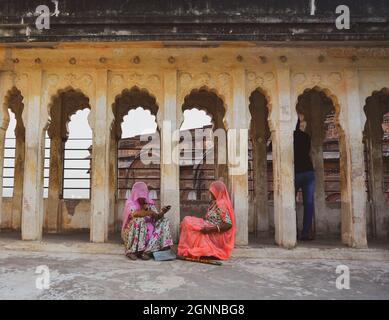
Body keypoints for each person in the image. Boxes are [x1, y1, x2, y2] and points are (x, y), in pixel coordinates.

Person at [177, 181, 235, 260]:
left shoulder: (222, 204)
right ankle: (193, 248)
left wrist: (210, 229)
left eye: (212, 192)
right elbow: (211, 217)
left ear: (218, 192)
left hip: (215, 232)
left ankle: (204, 251)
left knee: (190, 224)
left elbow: (228, 224)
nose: (210, 194)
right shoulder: (215, 202)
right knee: (187, 220)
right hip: (208, 225)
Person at [121, 181, 173, 260]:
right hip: (133, 232)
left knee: (165, 221)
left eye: (143, 195)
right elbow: (134, 214)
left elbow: (157, 217)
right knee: (139, 220)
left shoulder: (149, 202)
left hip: (149, 231)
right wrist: (148, 212)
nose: (142, 198)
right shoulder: (130, 203)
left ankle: (148, 251)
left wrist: (162, 212)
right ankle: (132, 251)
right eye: (140, 196)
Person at [294, 116, 315, 241]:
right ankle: (305, 233)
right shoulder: (306, 137)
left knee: (290, 203)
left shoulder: (287, 137)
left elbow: (270, 148)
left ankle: (292, 230)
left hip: (295, 173)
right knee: (309, 203)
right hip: (308, 172)